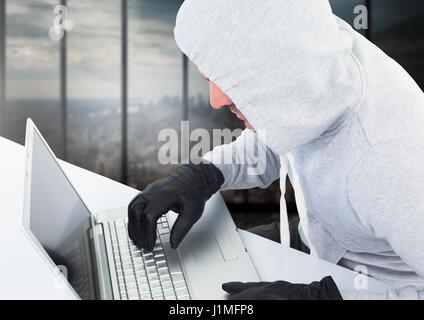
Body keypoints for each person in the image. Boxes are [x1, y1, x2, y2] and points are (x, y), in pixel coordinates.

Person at [128, 0, 424, 300]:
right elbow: (280, 128)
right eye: (211, 78)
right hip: (321, 239)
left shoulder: (390, 162)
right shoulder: (314, 56)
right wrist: (207, 173)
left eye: (231, 81)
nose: (215, 100)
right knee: (177, 278)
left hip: (376, 285)